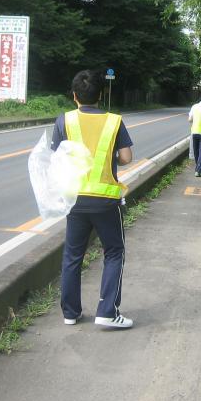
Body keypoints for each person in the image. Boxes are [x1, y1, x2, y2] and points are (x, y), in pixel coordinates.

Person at [51, 69, 134, 329]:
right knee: (114, 252)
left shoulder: (64, 121)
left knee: (73, 255)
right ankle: (107, 311)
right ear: (101, 94)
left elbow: (57, 158)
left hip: (75, 199)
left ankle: (70, 313)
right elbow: (126, 158)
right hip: (106, 200)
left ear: (74, 96)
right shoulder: (114, 121)